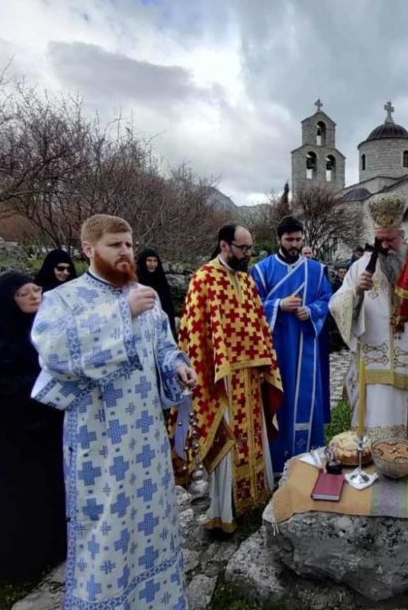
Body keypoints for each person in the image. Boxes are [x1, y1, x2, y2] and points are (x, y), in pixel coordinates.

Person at [30, 214, 198, 610]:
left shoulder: (140, 295)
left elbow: (163, 347)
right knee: (107, 533)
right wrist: (122, 314)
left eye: (129, 244)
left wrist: (177, 367)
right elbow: (54, 352)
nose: (126, 252)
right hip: (99, 444)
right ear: (88, 247)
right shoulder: (64, 301)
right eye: (115, 245)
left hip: (146, 438)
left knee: (152, 523)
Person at [178, 224, 282, 532]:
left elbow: (258, 324)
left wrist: (264, 360)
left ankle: (255, 501)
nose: (248, 254)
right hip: (221, 382)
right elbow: (194, 335)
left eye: (249, 248)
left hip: (250, 377)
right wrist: (206, 374)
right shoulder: (203, 280)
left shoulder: (246, 281)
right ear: (225, 245)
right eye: (243, 248)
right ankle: (225, 512)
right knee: (228, 444)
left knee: (254, 437)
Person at [329, 195, 408, 449]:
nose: (385, 246)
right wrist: (356, 293)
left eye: (390, 240)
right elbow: (336, 305)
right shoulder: (360, 269)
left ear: (401, 236)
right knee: (374, 436)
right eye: (379, 240)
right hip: (374, 368)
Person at [0, 272, 65, 580]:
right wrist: (41, 383)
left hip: (46, 426)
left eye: (36, 290)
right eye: (23, 293)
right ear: (6, 300)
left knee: (49, 489)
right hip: (11, 433)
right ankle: (17, 563)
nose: (34, 297)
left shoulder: (45, 330)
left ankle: (52, 549)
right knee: (16, 496)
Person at [250, 217, 333, 477]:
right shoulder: (261, 270)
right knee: (278, 402)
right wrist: (277, 306)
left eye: (298, 239)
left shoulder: (316, 270)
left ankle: (309, 463)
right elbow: (251, 306)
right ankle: (276, 467)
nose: (294, 244)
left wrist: (311, 310)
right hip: (275, 351)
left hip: (306, 347)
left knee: (306, 402)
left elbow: (327, 299)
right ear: (279, 239)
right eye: (289, 240)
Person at [135, 248, 176, 321]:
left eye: (155, 261)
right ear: (143, 261)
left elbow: (167, 304)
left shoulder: (161, 279)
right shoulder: (135, 280)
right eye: (149, 260)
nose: (152, 264)